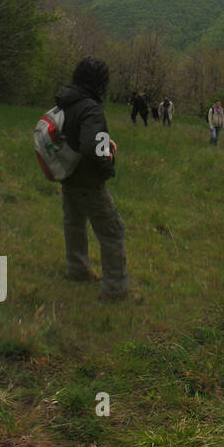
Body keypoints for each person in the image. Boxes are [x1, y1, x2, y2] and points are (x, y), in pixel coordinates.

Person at [51, 56, 139, 302]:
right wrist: (108, 161)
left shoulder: (66, 101)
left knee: (74, 223)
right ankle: (116, 291)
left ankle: (77, 270)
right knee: (113, 231)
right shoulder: (92, 108)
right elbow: (92, 146)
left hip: (68, 175)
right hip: (88, 181)